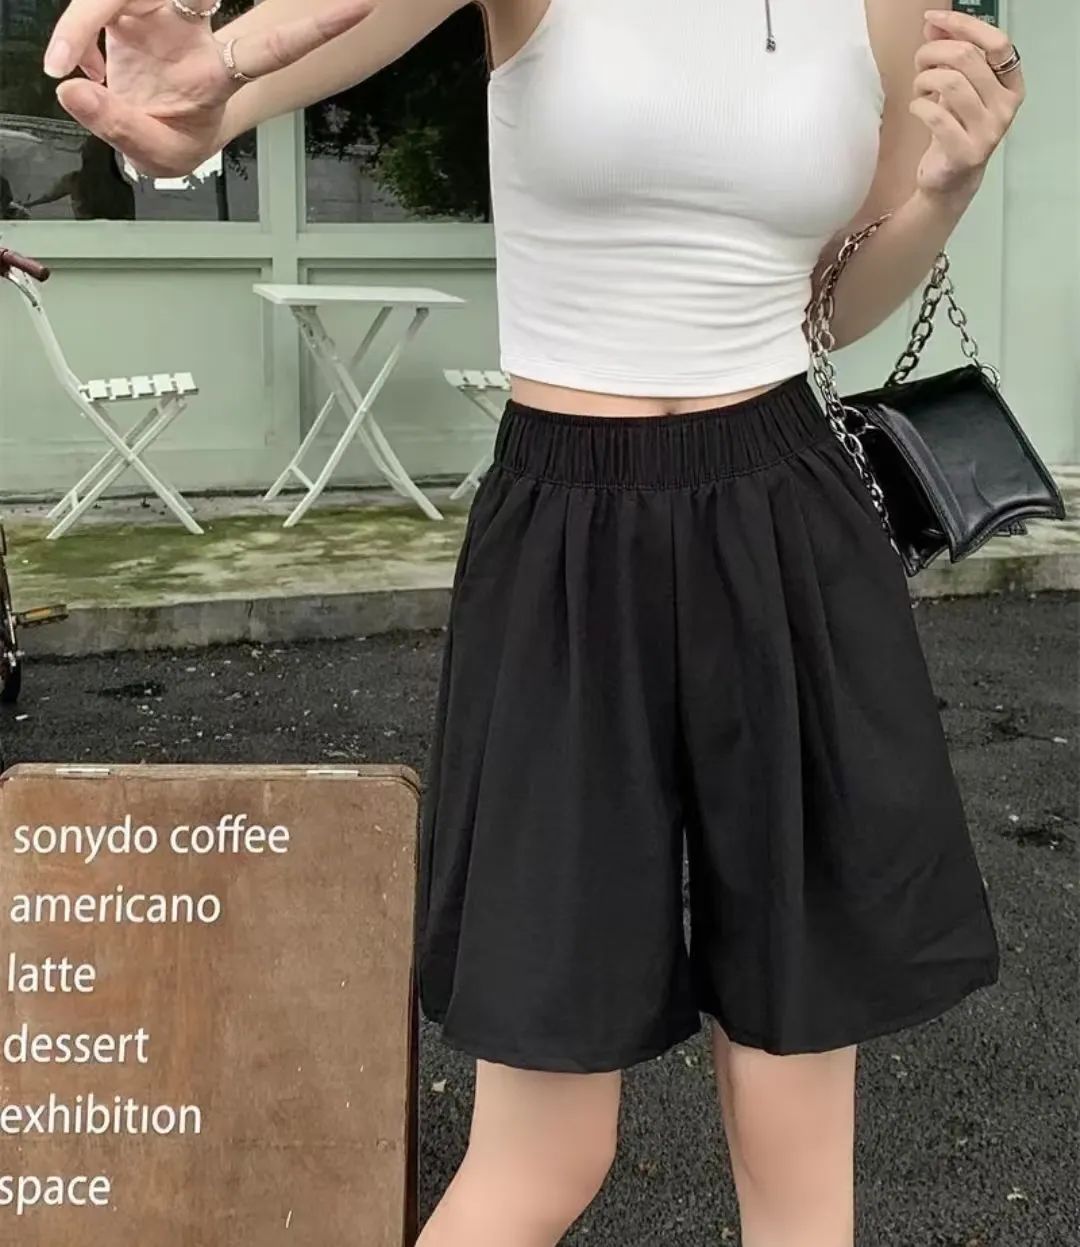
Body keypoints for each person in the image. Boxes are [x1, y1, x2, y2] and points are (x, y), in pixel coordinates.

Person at [42, 3, 1025, 1244]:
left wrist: (946, 189)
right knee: (545, 1145)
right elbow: (323, 24)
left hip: (784, 527)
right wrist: (220, 80)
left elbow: (827, 300)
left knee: (798, 1127)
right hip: (569, 539)